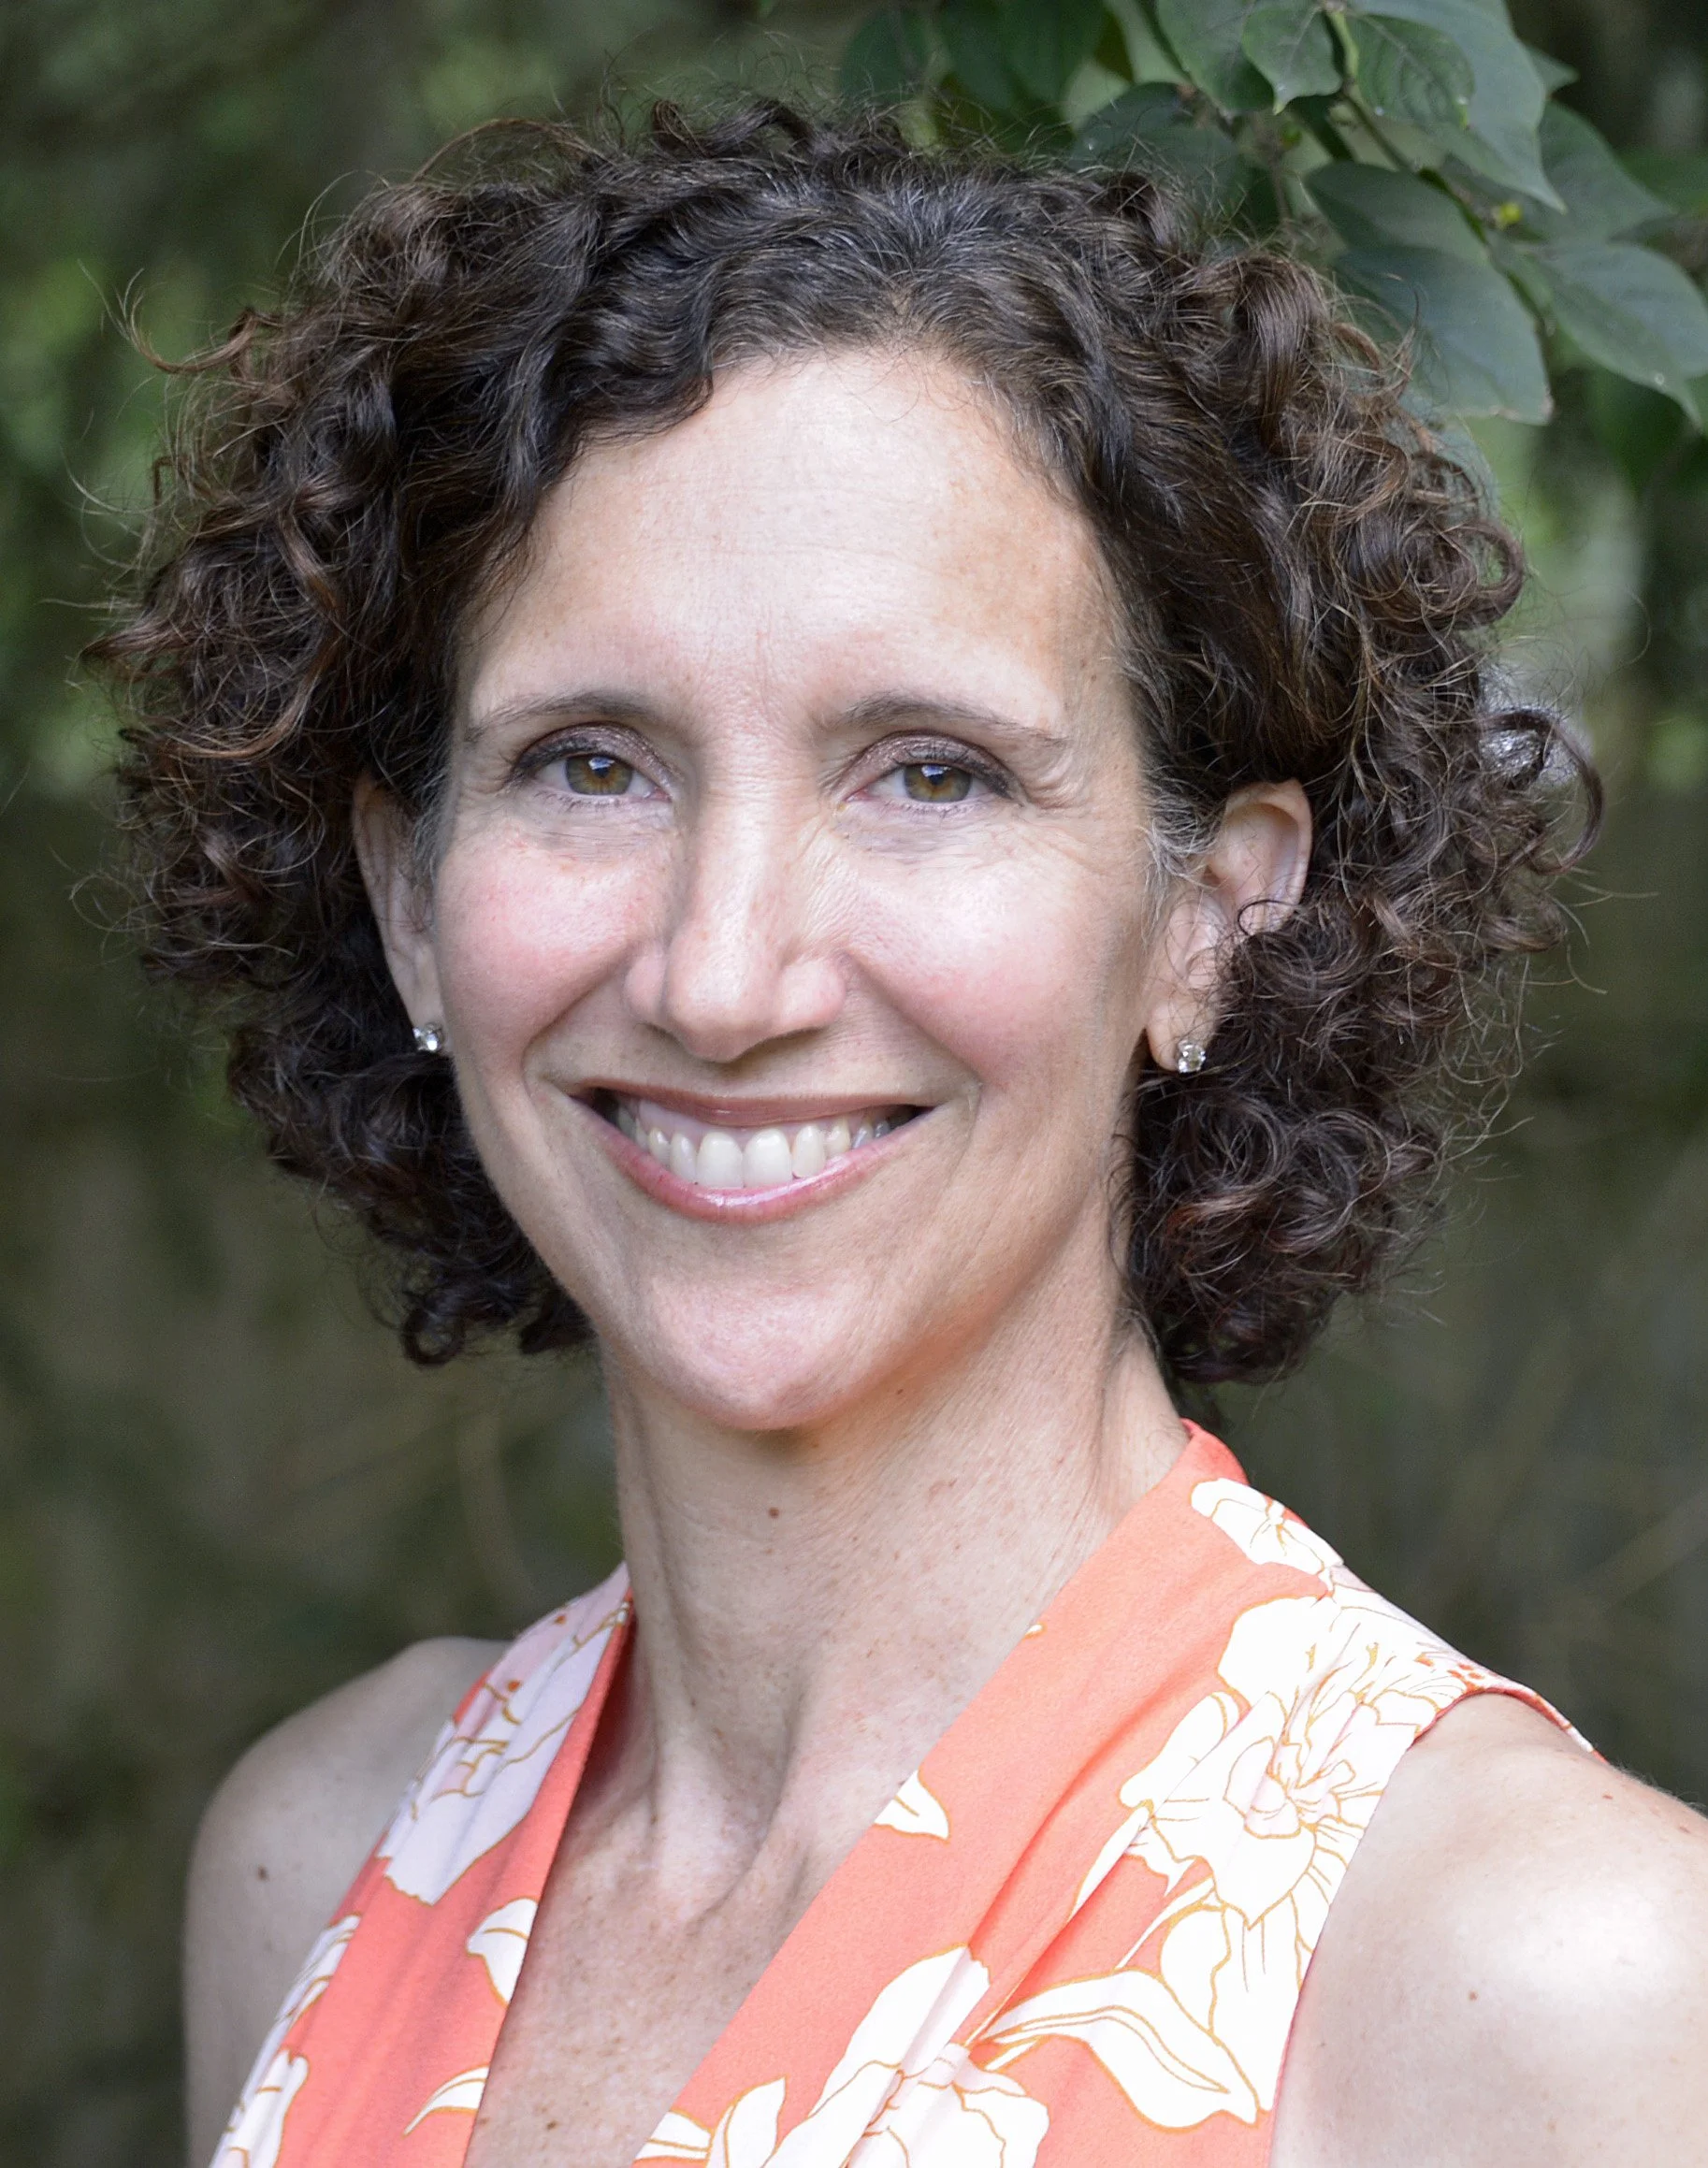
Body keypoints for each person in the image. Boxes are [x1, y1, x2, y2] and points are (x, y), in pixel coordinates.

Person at [96, 104, 1708, 2168]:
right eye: (590, 763)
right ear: (413, 896)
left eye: (929, 773)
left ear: (1209, 915)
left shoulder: (1536, 1979)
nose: (724, 972)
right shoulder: (321, 1853)